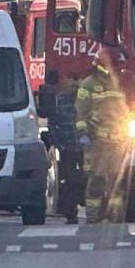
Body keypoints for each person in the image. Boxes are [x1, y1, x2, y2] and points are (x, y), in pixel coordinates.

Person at [75, 47, 130, 224]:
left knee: (117, 181)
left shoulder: (119, 84)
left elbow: (126, 110)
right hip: (97, 141)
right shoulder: (88, 84)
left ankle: (116, 217)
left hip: (118, 142)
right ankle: (92, 217)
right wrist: (83, 134)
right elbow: (81, 113)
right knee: (96, 180)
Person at [48, 71, 85, 224]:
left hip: (85, 149)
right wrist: (60, 145)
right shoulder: (58, 101)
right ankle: (71, 214)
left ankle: (92, 212)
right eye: (72, 83)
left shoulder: (84, 100)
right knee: (69, 182)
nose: (74, 87)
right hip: (68, 149)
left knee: (88, 179)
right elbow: (52, 125)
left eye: (77, 84)